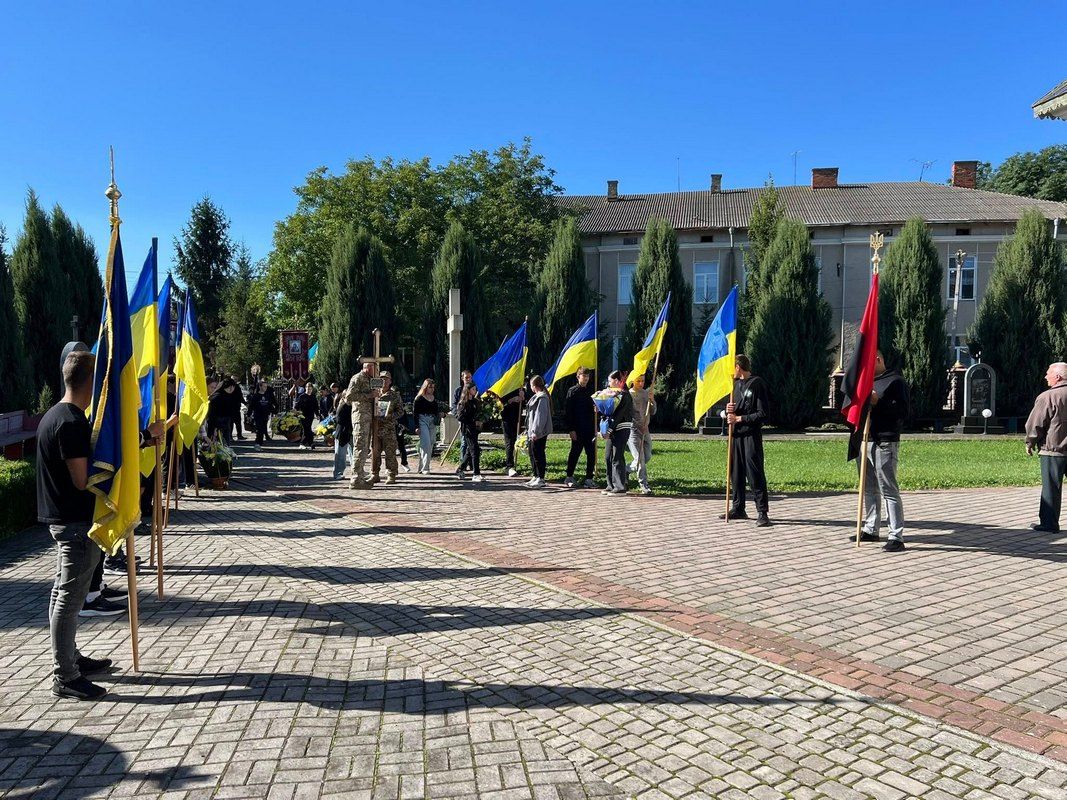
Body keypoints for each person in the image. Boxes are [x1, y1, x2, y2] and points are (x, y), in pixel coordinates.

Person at [725, 354, 771, 527]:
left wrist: (740, 419)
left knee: (754, 472)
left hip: (751, 435)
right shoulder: (735, 386)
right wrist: (728, 411)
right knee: (735, 472)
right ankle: (738, 507)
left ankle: (762, 512)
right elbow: (730, 413)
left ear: (738, 367)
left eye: (732, 368)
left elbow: (763, 414)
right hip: (736, 435)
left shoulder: (757, 383)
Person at [1025, 362, 1067, 533]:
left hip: (1053, 450)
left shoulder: (1048, 397)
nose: (1045, 376)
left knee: (1051, 488)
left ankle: (1049, 524)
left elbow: (1035, 423)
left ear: (1057, 377)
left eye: (1048, 373)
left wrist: (1030, 442)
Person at [601, 371, 633, 496]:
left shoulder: (624, 395)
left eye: (610, 381)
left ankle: (620, 487)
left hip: (622, 427)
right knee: (608, 456)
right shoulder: (614, 395)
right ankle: (610, 484)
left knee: (617, 456)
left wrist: (609, 430)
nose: (609, 384)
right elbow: (610, 412)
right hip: (612, 428)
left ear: (618, 381)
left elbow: (619, 415)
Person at [347, 362, 379, 489]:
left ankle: (360, 476)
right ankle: (355, 479)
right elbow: (349, 397)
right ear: (368, 368)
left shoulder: (371, 380)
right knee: (360, 447)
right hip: (360, 417)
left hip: (369, 418)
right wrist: (369, 395)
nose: (376, 370)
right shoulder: (357, 378)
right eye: (374, 368)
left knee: (365, 448)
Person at [564, 368, 596, 489]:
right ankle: (569, 476)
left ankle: (589, 478)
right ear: (578, 377)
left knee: (591, 453)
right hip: (577, 428)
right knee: (575, 452)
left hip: (589, 427)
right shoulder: (572, 391)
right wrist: (571, 429)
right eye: (584, 376)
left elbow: (595, 407)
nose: (586, 378)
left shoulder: (592, 390)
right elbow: (568, 411)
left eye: (588, 376)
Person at [370, 371, 404, 484]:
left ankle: (391, 474)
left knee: (390, 453)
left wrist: (391, 416)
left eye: (386, 379)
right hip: (375, 428)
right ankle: (375, 474)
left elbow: (400, 411)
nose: (384, 381)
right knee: (375, 452)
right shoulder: (374, 393)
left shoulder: (394, 395)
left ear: (390, 381)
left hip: (388, 429)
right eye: (381, 379)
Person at [628, 373, 657, 496]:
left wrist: (652, 401)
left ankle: (624, 470)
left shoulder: (646, 393)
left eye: (643, 381)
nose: (641, 383)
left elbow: (653, 412)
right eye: (638, 381)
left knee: (647, 456)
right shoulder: (629, 395)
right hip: (634, 431)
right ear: (633, 381)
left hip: (646, 431)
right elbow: (629, 414)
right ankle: (643, 484)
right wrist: (640, 425)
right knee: (640, 459)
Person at [525, 376, 552, 488]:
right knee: (532, 453)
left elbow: (540, 416)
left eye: (531, 385)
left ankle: (541, 477)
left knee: (538, 454)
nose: (530, 387)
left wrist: (536, 431)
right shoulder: (536, 397)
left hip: (538, 432)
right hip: (532, 431)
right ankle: (536, 475)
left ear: (534, 386)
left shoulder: (542, 398)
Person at [455, 381, 484, 482]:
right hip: (467, 430)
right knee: (475, 449)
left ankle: (460, 469)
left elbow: (479, 413)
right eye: (473, 389)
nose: (474, 391)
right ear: (468, 390)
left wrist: (480, 420)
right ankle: (476, 473)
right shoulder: (463, 403)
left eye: (475, 389)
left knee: (469, 451)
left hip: (474, 430)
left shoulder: (475, 402)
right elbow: (460, 417)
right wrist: (472, 421)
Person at [413, 379, 439, 474]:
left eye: (433, 387)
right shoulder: (419, 398)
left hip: (432, 421)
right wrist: (416, 426)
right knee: (426, 443)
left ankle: (421, 466)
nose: (432, 389)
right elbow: (415, 413)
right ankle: (425, 468)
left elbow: (436, 411)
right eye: (430, 387)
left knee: (431, 443)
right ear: (425, 387)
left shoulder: (434, 398)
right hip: (422, 420)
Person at [499, 387, 525, 477]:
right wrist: (511, 400)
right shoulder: (505, 386)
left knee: (515, 440)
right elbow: (500, 405)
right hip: (506, 418)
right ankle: (509, 466)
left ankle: (513, 463)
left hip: (517, 418)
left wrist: (523, 397)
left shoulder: (520, 387)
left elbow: (525, 403)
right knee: (509, 441)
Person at [452, 369, 473, 462]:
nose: (468, 379)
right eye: (466, 377)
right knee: (464, 441)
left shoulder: (474, 389)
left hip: (472, 419)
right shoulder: (458, 391)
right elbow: (454, 405)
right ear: (462, 378)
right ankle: (462, 462)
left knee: (472, 443)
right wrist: (457, 415)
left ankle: (470, 462)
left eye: (470, 377)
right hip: (463, 419)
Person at [333, 389, 353, 479]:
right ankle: (338, 473)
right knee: (340, 455)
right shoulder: (343, 406)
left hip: (350, 432)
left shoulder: (351, 405)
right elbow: (339, 420)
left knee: (353, 453)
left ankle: (356, 470)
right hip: (342, 433)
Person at [248, 380, 274, 449]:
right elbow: (251, 406)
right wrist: (249, 415)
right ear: (260, 386)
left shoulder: (267, 395)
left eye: (266, 386)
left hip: (265, 415)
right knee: (259, 430)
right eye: (264, 386)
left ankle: (260, 443)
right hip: (258, 415)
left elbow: (270, 405)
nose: (265, 388)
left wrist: (274, 412)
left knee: (263, 429)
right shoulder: (256, 396)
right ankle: (257, 443)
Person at [206, 378, 231, 443]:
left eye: (215, 388)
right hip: (205, 428)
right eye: (211, 387)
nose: (213, 389)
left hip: (211, 427)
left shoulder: (212, 397)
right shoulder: (208, 398)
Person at [294, 384, 318, 450]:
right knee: (306, 429)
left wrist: (317, 414)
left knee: (308, 429)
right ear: (305, 388)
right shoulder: (302, 396)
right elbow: (297, 405)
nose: (308, 390)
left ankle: (310, 443)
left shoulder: (313, 397)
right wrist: (295, 411)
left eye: (310, 389)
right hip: (303, 415)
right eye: (307, 388)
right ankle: (304, 443)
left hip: (311, 416)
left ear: (312, 389)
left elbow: (316, 407)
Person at [227, 375, 246, 441]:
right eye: (233, 379)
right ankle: (230, 436)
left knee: (238, 423)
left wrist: (245, 403)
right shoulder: (228, 387)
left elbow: (240, 396)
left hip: (236, 407)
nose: (234, 381)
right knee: (230, 423)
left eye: (235, 379)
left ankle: (239, 435)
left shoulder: (237, 387)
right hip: (229, 408)